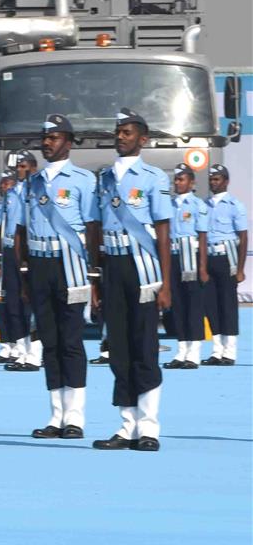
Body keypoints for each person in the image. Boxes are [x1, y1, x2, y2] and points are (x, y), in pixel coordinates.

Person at [92, 108, 172, 452]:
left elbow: (164, 233)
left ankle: (149, 427)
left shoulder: (154, 177)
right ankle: (127, 426)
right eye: (118, 131)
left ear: (143, 139)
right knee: (118, 348)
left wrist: (166, 283)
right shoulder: (105, 178)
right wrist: (95, 278)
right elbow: (94, 230)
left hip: (143, 268)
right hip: (113, 265)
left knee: (145, 346)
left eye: (127, 132)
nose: (120, 137)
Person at [15, 113, 97, 439]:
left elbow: (92, 229)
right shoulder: (31, 184)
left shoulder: (83, 180)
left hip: (71, 266)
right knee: (49, 341)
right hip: (39, 264)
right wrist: (23, 273)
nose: (47, 143)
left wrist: (95, 275)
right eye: (45, 137)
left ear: (69, 141)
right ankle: (56, 415)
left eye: (54, 137)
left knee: (71, 340)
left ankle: (75, 417)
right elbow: (21, 230)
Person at [164, 165, 208, 370]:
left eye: (182, 180)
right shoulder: (169, 205)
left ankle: (194, 352)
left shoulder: (198, 205)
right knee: (178, 305)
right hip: (173, 257)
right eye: (176, 180)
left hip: (191, 257)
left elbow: (203, 236)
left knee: (193, 305)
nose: (177, 183)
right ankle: (181, 350)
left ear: (191, 182)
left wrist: (202, 267)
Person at [202, 164, 246, 366]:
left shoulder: (235, 205)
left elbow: (243, 237)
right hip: (208, 258)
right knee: (211, 306)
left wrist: (240, 269)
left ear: (226, 181)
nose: (213, 182)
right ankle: (216, 350)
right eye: (211, 179)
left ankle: (230, 352)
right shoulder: (204, 205)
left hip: (227, 259)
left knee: (228, 306)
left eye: (217, 179)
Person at [5, 150, 45, 372]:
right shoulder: (12, 193)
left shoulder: (37, 189)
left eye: (23, 166)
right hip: (12, 248)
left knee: (34, 302)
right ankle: (21, 350)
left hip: (33, 248)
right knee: (14, 302)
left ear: (33, 167)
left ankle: (35, 352)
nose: (19, 171)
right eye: (17, 167)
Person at [0, 170, 27, 364]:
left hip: (21, 252)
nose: (3, 186)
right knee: (2, 303)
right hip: (5, 253)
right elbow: (0, 231)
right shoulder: (3, 204)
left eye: (7, 182)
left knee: (21, 301)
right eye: (2, 182)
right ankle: (9, 345)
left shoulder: (25, 195)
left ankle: (23, 347)